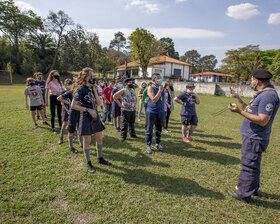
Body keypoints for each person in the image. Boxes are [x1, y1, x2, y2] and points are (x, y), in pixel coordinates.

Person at [227, 69, 279, 203]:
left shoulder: (268, 96)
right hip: (252, 136)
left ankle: (243, 193)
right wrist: (237, 99)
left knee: (248, 165)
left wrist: (238, 112)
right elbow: (248, 109)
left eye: (252, 79)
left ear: (257, 81)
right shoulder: (262, 94)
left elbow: (262, 120)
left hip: (255, 137)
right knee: (253, 164)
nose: (251, 81)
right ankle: (252, 188)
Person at [72, 67, 111, 173]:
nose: (94, 77)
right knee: (87, 141)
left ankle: (100, 158)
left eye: (94, 76)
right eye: (91, 76)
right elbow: (73, 105)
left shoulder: (92, 88)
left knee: (99, 139)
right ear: (85, 77)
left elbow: (98, 103)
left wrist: (95, 89)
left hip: (95, 116)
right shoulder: (81, 89)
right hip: (85, 116)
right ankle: (88, 163)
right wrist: (88, 110)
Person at [57, 80, 82, 153]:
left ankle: (81, 143)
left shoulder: (79, 93)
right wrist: (68, 104)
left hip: (77, 112)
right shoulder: (67, 92)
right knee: (65, 125)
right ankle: (61, 138)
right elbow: (60, 100)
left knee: (78, 127)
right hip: (68, 111)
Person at [145, 73, 165, 154]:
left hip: (161, 111)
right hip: (151, 111)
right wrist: (160, 91)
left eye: (161, 78)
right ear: (153, 80)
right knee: (149, 129)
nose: (160, 80)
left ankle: (158, 143)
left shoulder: (162, 87)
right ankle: (148, 145)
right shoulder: (150, 88)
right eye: (158, 78)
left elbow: (163, 99)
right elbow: (154, 99)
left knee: (159, 129)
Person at [57, 79, 73, 145]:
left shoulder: (72, 92)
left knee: (71, 124)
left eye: (70, 84)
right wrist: (67, 109)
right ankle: (61, 137)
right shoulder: (63, 92)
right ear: (65, 85)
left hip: (72, 110)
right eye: (67, 84)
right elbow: (62, 103)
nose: (69, 86)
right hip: (66, 110)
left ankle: (70, 136)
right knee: (64, 124)